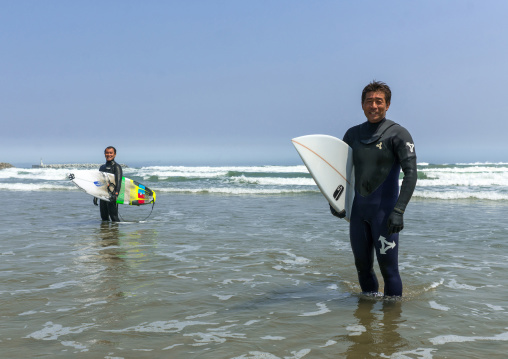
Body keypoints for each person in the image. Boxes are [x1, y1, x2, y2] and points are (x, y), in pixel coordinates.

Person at [331, 81, 417, 297]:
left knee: (389, 270)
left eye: (379, 101)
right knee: (362, 268)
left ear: (387, 105)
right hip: (359, 215)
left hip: (385, 215)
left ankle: (391, 321)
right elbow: (340, 172)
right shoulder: (352, 135)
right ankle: (366, 320)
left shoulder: (398, 134)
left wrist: (398, 211)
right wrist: (334, 200)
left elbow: (411, 173)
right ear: (362, 105)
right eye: (369, 101)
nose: (374, 106)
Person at [93, 146, 123, 222]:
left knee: (114, 217)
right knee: (104, 217)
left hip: (112, 196)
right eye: (107, 153)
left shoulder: (116, 167)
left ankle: (115, 233)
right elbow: (99, 183)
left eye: (111, 153)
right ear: (104, 154)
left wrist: (116, 194)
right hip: (103, 195)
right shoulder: (102, 167)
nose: (109, 154)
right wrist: (95, 196)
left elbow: (119, 182)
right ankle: (106, 233)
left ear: (115, 154)